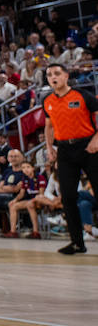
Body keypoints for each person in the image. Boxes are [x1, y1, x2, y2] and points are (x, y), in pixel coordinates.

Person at [41, 63, 98, 255]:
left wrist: (96, 138)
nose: (53, 77)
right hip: (64, 149)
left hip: (88, 146)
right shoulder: (47, 100)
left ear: (66, 76)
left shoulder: (82, 95)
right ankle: (77, 242)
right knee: (68, 197)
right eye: (49, 75)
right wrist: (50, 148)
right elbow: (48, 126)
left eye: (57, 73)